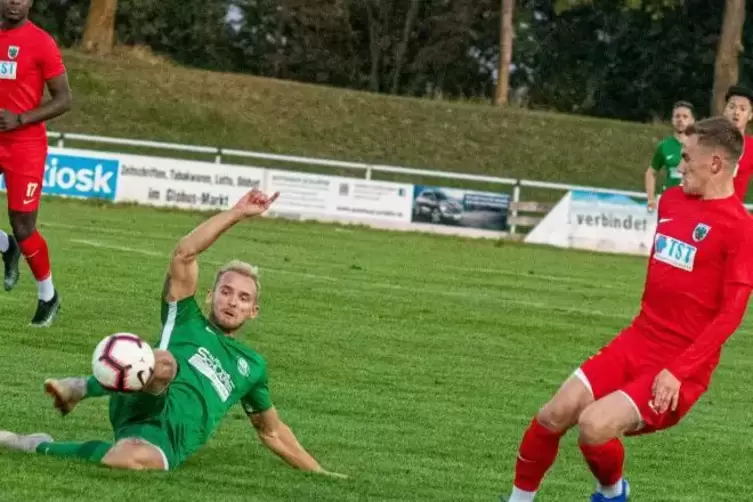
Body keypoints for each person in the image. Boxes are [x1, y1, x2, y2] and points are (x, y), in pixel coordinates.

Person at [0, 189, 346, 477]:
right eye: (226, 291)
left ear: (253, 311)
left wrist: (321, 474)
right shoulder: (185, 317)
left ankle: (34, 443)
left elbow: (271, 431)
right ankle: (80, 387)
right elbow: (185, 253)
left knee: (126, 460)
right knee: (164, 361)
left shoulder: (251, 366)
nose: (232, 302)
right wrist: (237, 213)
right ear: (211, 295)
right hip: (144, 397)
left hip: (171, 439)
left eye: (243, 298)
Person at [502, 117, 753, 502]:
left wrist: (678, 372)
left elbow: (731, 315)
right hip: (638, 339)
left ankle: (612, 491)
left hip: (681, 366)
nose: (679, 166)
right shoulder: (671, 202)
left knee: (593, 425)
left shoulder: (740, 229)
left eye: (687, 158)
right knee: (553, 414)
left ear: (716, 165)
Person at [0, 0, 72, 325]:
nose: (16, 1)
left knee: (23, 224)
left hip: (24, 145)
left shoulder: (41, 42)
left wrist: (21, 118)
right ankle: (6, 247)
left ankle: (48, 295)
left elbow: (64, 98)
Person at [645, 101, 695, 212]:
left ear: (692, 121)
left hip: (691, 204)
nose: (680, 120)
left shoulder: (699, 146)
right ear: (672, 120)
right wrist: (650, 199)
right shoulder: (664, 146)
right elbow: (651, 172)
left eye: (685, 116)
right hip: (669, 202)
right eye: (677, 116)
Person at [721, 85, 753, 202]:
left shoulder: (751, 147)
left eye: (742, 109)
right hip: (706, 210)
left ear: (750, 115)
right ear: (725, 110)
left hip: (734, 213)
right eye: (732, 107)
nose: (736, 112)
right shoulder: (709, 141)